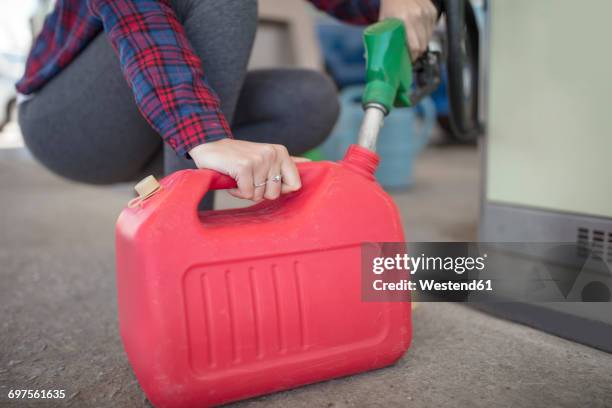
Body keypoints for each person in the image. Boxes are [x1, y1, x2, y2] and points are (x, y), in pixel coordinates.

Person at [16, 0, 438, 205]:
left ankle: (184, 174)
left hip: (151, 123)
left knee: (310, 101)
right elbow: (138, 16)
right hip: (67, 124)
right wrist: (205, 135)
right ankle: (187, 241)